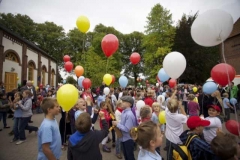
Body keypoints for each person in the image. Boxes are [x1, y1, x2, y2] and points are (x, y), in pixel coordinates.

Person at [112, 96, 137, 160]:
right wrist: (118, 122)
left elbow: (127, 129)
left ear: (129, 104)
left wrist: (117, 124)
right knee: (126, 155)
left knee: (129, 156)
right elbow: (123, 122)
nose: (121, 103)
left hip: (128, 139)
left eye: (123, 102)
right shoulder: (123, 112)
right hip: (123, 138)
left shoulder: (129, 114)